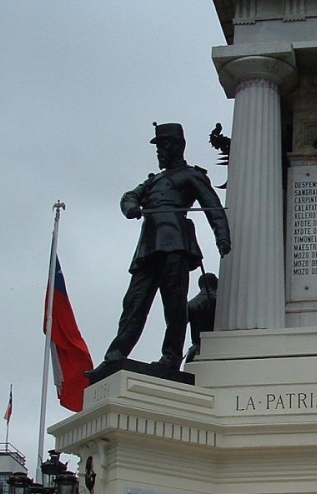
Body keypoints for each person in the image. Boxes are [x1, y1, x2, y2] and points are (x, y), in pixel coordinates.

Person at [91, 122, 230, 375]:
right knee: (133, 302)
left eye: (163, 146)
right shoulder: (153, 181)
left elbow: (213, 208)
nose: (159, 152)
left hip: (175, 244)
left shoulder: (191, 175)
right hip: (148, 247)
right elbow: (129, 197)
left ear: (177, 146)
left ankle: (171, 357)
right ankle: (115, 355)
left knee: (174, 305)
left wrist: (222, 237)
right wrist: (130, 207)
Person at [184, 272, 218, 364]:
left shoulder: (191, 304)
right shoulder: (220, 302)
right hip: (217, 346)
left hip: (196, 348)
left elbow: (179, 328)